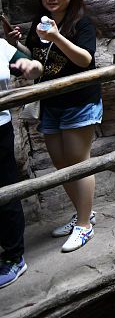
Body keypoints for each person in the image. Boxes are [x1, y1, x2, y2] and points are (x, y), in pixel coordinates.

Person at [10, 0, 101, 252]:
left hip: (79, 101)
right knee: (61, 164)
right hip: (50, 102)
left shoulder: (81, 22)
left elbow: (85, 59)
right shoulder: (40, 22)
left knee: (78, 162)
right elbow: (36, 59)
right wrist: (17, 45)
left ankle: (84, 225)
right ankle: (83, 214)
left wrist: (56, 36)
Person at [0, 37, 43, 286]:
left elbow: (27, 65)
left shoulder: (1, 47)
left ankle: (14, 256)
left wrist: (32, 66)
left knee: (5, 190)